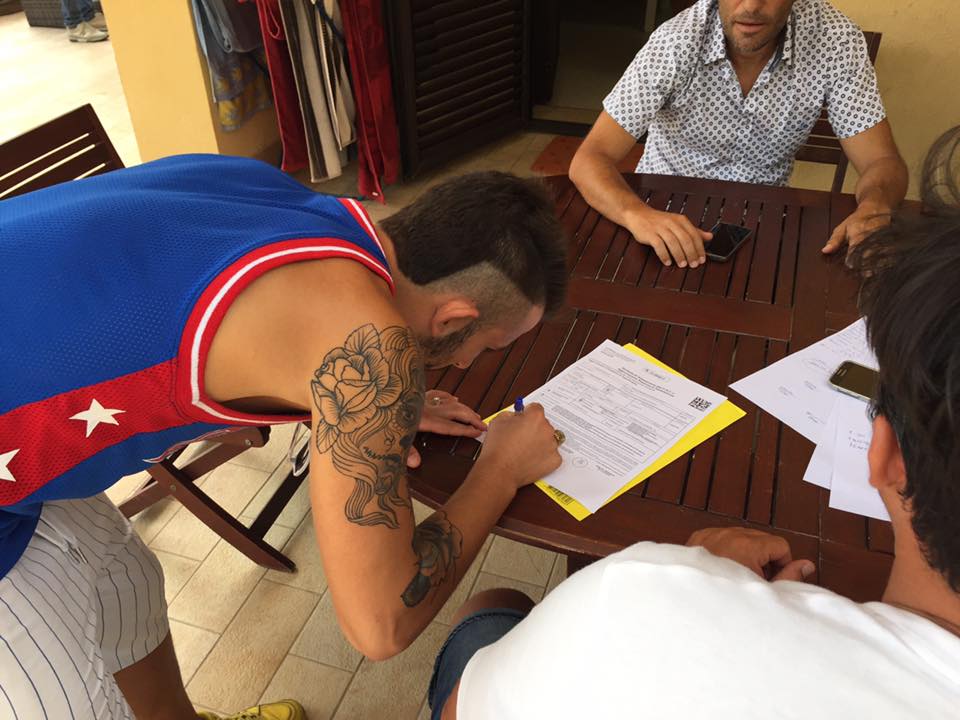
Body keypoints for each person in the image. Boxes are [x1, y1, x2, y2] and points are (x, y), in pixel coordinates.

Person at [0, 156, 567, 719]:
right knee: (74, 702)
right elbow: (380, 623)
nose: (466, 364)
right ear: (453, 319)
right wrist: (501, 469)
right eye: (488, 346)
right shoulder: (370, 348)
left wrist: (370, 406)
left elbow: (227, 316)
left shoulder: (280, 195)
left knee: (125, 586)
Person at [429, 127, 960, 720]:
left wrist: (693, 583)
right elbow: (589, 159)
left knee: (490, 607)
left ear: (884, 453)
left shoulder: (636, 593)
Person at [569, 0, 908, 269]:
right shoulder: (675, 42)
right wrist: (636, 214)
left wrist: (875, 204)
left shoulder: (835, 41)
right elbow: (590, 158)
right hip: (662, 212)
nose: (751, 6)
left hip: (764, 224)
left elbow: (881, 160)